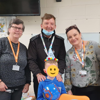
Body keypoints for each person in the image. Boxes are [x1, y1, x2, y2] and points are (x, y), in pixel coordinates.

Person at [28, 13, 66, 98]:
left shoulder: (60, 41)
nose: (49, 26)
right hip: (41, 78)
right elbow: (31, 60)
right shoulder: (34, 41)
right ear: (41, 25)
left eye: (52, 24)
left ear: (55, 26)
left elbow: (62, 59)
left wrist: (59, 73)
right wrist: (38, 73)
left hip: (55, 77)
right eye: (46, 23)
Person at [64, 25, 100, 100]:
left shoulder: (94, 45)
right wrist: (69, 90)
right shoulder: (69, 53)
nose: (73, 38)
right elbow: (67, 73)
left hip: (95, 88)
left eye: (75, 35)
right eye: (70, 37)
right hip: (77, 90)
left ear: (80, 34)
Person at [0, 18, 31, 100]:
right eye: (15, 27)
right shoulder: (2, 43)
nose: (17, 30)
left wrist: (28, 82)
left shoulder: (24, 48)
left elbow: (27, 67)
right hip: (3, 87)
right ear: (9, 29)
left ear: (22, 32)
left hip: (19, 88)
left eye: (20, 28)